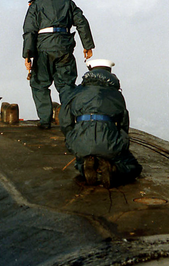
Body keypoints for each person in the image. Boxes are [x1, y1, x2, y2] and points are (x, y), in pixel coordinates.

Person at [23, 0, 94, 129]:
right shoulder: (68, 2)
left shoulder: (35, 5)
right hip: (64, 48)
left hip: (43, 48)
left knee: (39, 84)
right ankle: (68, 121)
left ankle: (44, 121)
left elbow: (29, 31)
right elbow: (81, 22)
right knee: (67, 84)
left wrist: (27, 55)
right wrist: (87, 46)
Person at [59, 58, 142, 187]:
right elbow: (123, 124)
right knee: (133, 167)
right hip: (109, 141)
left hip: (81, 141)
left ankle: (86, 164)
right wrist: (121, 142)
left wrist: (71, 137)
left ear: (90, 70)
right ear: (109, 72)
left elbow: (64, 121)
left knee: (80, 159)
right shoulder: (116, 94)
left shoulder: (76, 92)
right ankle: (113, 168)